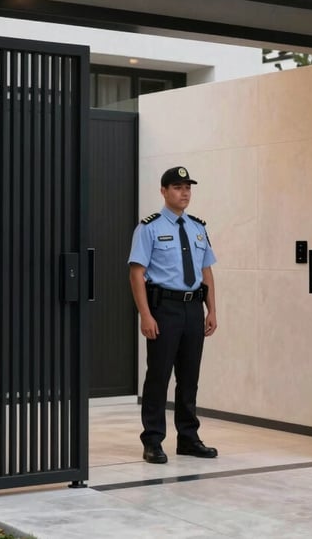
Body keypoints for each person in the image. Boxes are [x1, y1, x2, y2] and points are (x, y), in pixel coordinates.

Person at [128, 166, 218, 464]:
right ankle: (153, 440)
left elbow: (206, 272)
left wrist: (212, 310)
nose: (185, 193)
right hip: (163, 309)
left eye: (188, 187)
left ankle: (189, 438)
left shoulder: (197, 227)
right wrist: (145, 314)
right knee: (158, 376)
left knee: (189, 377)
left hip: (193, 308)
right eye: (178, 187)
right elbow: (137, 274)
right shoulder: (149, 228)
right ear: (164, 191)